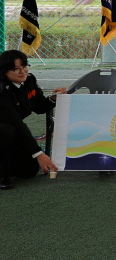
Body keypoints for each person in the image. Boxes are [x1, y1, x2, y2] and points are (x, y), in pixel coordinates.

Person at [0, 50, 66, 190]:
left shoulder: (29, 80)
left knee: (29, 171)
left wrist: (53, 98)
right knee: (7, 130)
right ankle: (2, 175)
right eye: (16, 69)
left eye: (24, 66)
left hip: (13, 129)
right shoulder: (2, 89)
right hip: (6, 128)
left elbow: (39, 106)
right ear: (4, 71)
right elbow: (17, 122)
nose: (22, 71)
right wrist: (38, 153)